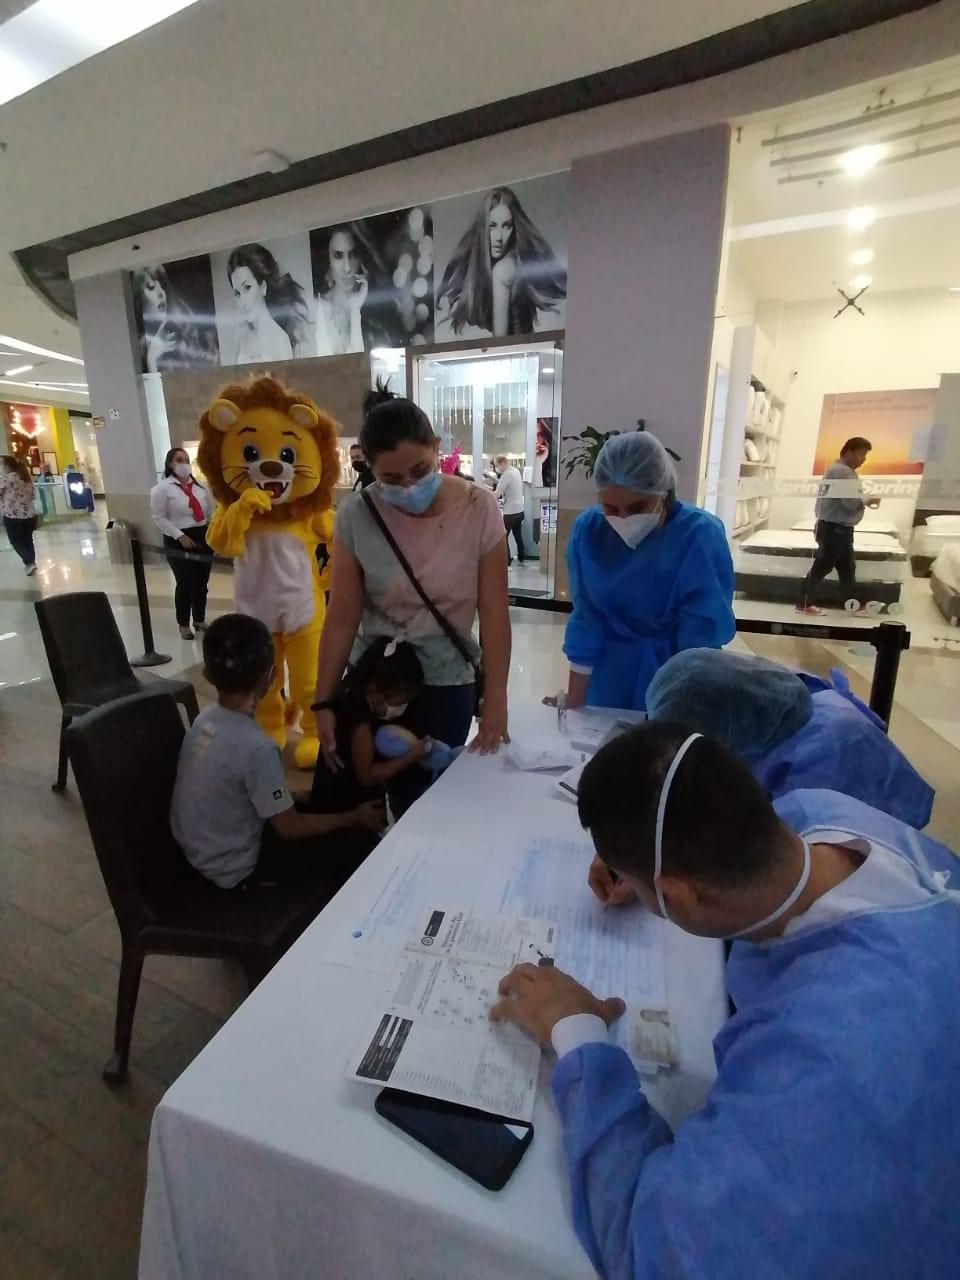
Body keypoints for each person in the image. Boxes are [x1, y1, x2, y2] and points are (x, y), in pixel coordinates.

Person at [492, 722, 960, 1280]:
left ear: (682, 894)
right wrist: (653, 875)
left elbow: (664, 1255)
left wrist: (576, 1032)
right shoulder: (824, 814)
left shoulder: (827, 1068)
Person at [312, 383, 511, 817]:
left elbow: (495, 612)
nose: (408, 486)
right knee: (383, 789)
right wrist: (323, 700)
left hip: (446, 679)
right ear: (369, 467)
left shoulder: (478, 508)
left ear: (437, 447)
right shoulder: (357, 514)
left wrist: (496, 697)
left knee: (437, 797)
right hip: (379, 682)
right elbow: (342, 615)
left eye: (420, 471)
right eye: (391, 479)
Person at [171, 613, 384, 890]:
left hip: (199, 850)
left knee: (317, 806)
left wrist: (291, 796)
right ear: (271, 677)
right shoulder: (257, 746)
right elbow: (289, 827)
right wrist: (354, 817)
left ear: (207, 674)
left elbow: (235, 784)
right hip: (235, 867)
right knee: (358, 842)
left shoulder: (205, 720)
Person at [550, 432, 734, 712]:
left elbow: (700, 642)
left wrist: (687, 712)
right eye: (610, 508)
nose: (623, 518)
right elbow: (587, 618)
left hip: (676, 677)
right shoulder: (589, 531)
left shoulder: (699, 535)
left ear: (663, 493)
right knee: (601, 736)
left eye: (637, 507)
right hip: (608, 677)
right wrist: (574, 700)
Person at [310, 636, 434, 813]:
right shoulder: (360, 726)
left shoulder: (352, 689)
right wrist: (412, 756)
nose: (402, 709)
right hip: (347, 806)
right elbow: (367, 775)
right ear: (374, 690)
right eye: (400, 703)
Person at [436, 186, 566, 337]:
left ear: (514, 228)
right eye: (492, 226)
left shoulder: (502, 270)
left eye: (506, 226)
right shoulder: (516, 263)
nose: (498, 237)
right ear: (483, 228)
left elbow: (500, 344)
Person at [798, 435, 880, 615]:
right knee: (823, 566)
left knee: (847, 568)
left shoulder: (837, 469)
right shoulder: (843, 473)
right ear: (849, 452)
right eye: (861, 454)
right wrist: (868, 499)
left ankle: (854, 603)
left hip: (835, 527)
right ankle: (804, 603)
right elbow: (850, 502)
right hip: (835, 528)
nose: (863, 459)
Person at [150, 448, 215, 640]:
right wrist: (179, 536)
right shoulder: (162, 489)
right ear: (170, 464)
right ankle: (184, 624)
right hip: (177, 539)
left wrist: (212, 535)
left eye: (186, 460)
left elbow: (209, 514)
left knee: (201, 582)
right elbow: (158, 517)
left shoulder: (201, 488)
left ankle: (199, 618)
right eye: (179, 460)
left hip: (201, 536)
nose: (184, 463)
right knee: (185, 582)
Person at [312, 222, 396, 355]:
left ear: (361, 258)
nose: (347, 268)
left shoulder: (376, 311)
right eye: (338, 256)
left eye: (353, 254)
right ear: (328, 259)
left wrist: (355, 311)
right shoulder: (316, 307)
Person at [226, 243, 311, 364]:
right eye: (237, 293)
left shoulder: (280, 339)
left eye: (247, 288)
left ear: (263, 287)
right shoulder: (240, 335)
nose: (242, 301)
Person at [131, 264, 218, 372]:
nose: (161, 294)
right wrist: (151, 358)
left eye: (162, 286)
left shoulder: (183, 330)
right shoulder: (136, 349)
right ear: (139, 297)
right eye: (151, 287)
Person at [1, 454, 38, 576]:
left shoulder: (7, 479)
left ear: (7, 466)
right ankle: (31, 562)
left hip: (13, 516)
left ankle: (29, 562)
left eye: (2, 465)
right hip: (30, 516)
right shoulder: (26, 478)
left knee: (16, 541)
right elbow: (33, 496)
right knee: (28, 540)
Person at [494, 454, 526, 565]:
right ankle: (521, 556)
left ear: (503, 463)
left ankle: (506, 561)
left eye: (497, 465)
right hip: (520, 510)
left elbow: (497, 494)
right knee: (518, 535)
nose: (496, 468)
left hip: (510, 512)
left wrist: (486, 492)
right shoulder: (515, 471)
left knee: (503, 536)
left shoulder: (506, 475)